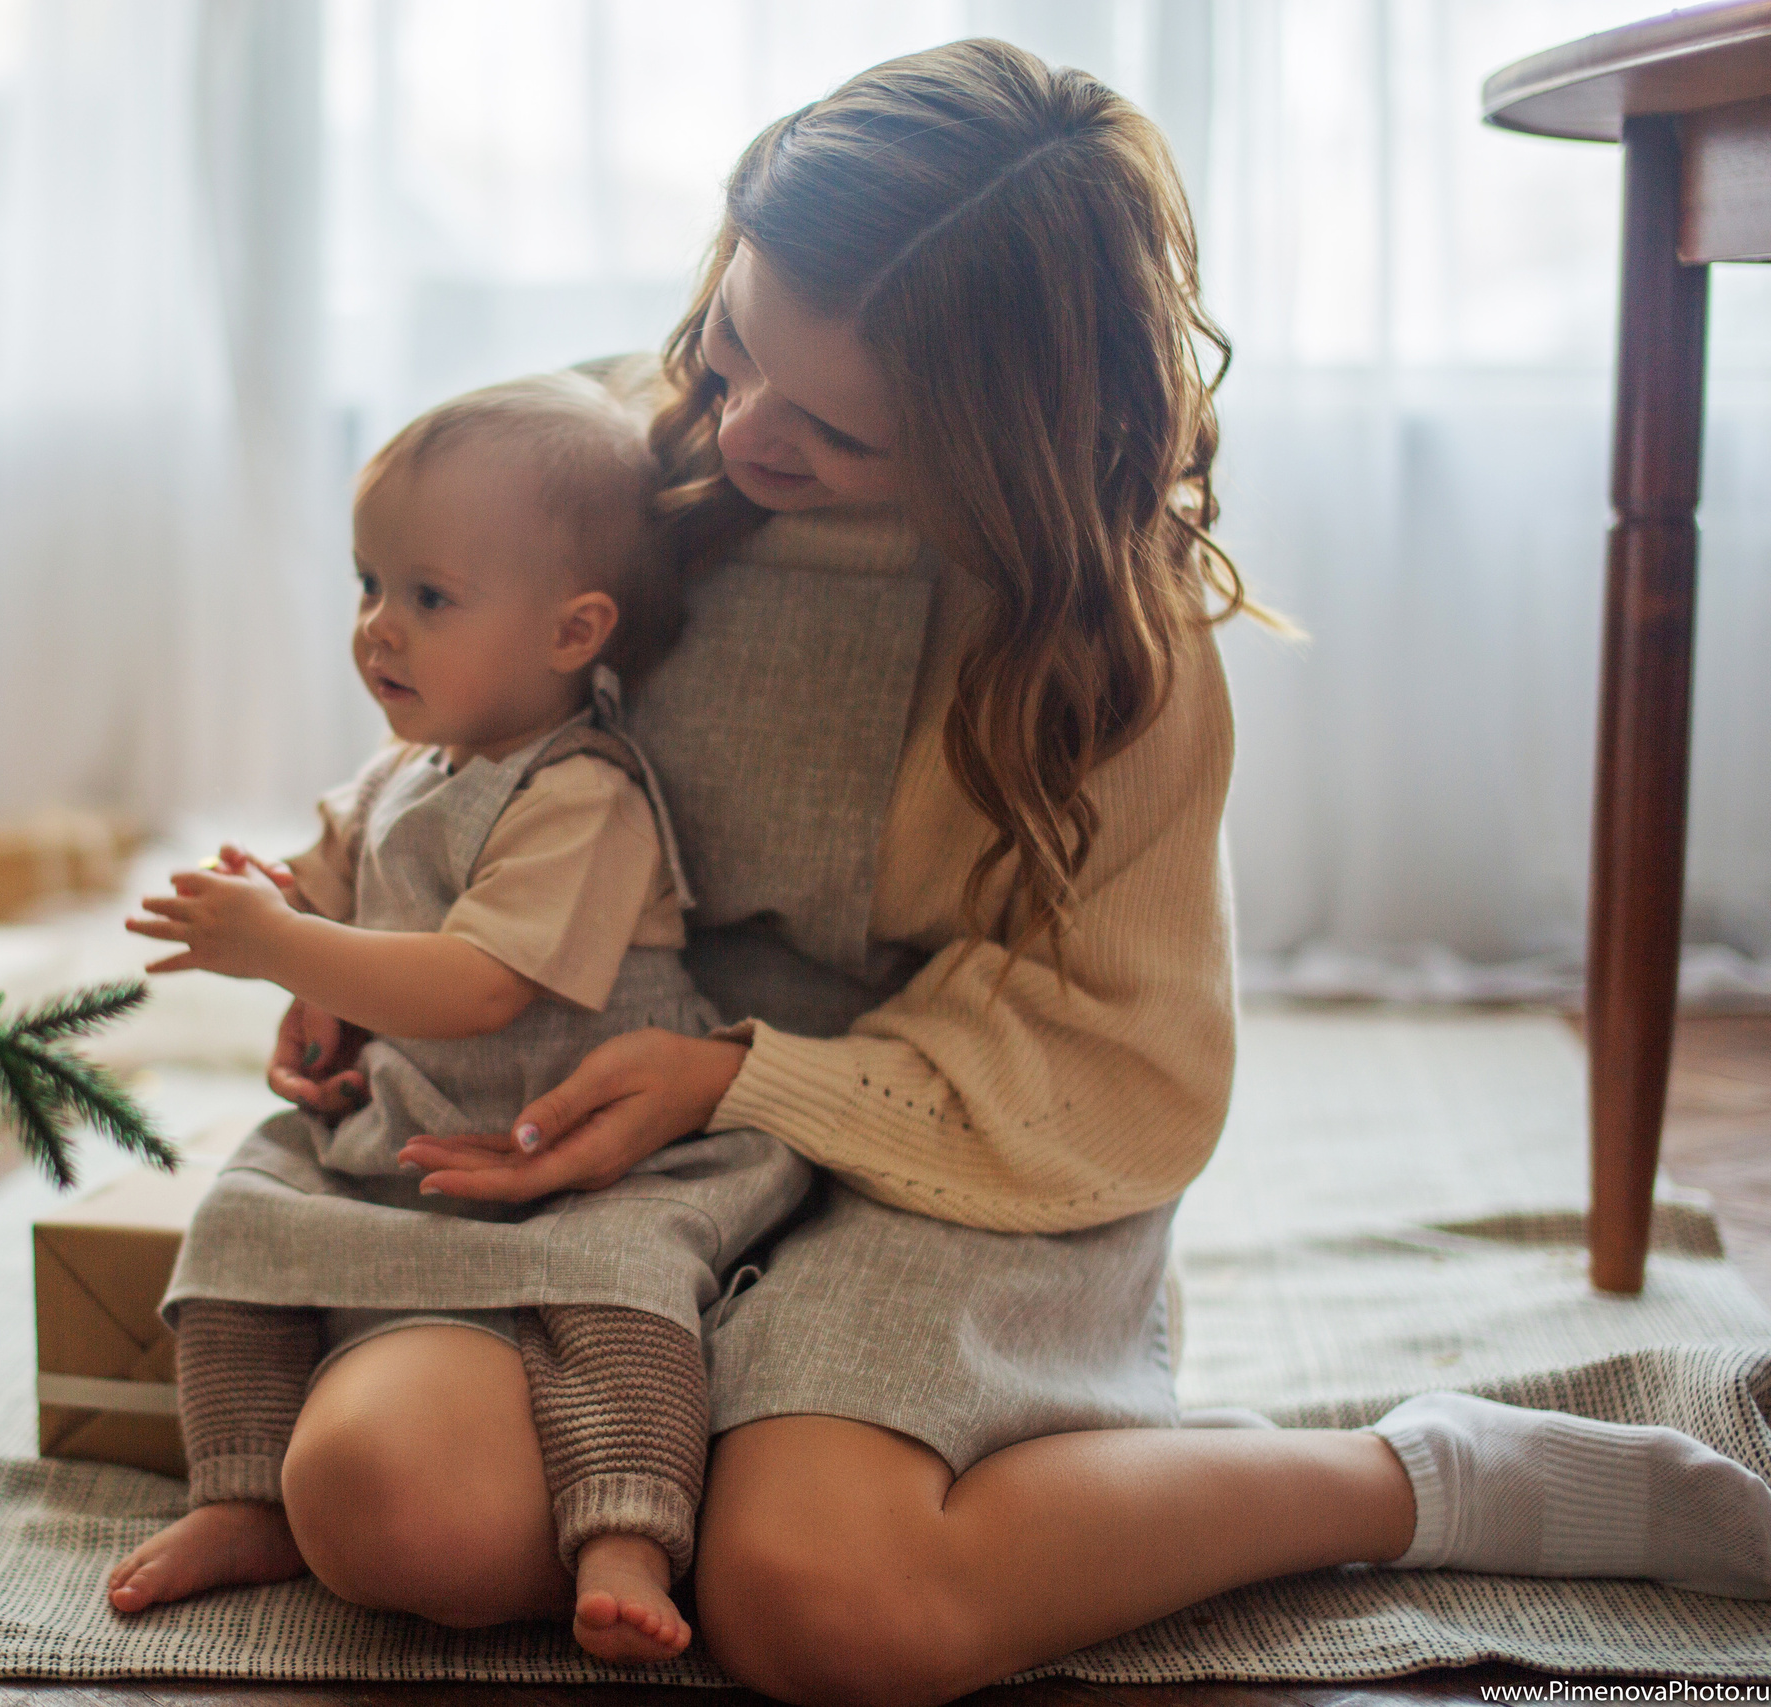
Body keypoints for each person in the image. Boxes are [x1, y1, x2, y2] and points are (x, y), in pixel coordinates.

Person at [261, 41, 1771, 1706]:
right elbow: (462, 754)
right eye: (737, 340)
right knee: (403, 1516)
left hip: (939, 1143)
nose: (748, 424)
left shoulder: (1111, 642)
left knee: (823, 1607)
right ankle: (702, 1435)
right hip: (598, 1119)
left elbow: (1116, 1054)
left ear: (1009, 439)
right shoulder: (607, 456)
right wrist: (342, 935)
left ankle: (1427, 1477)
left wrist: (742, 1081)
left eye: (838, 428)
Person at [106, 372, 814, 1663]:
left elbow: (479, 984)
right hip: (415, 1148)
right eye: (369, 586)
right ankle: (246, 1492)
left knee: (626, 1295)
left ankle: (628, 1531)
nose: (379, 629)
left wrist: (283, 948)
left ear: (570, 631)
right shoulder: (395, 780)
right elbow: (333, 891)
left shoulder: (583, 796)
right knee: (239, 1228)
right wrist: (283, 925)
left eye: (428, 598)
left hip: (587, 1158)